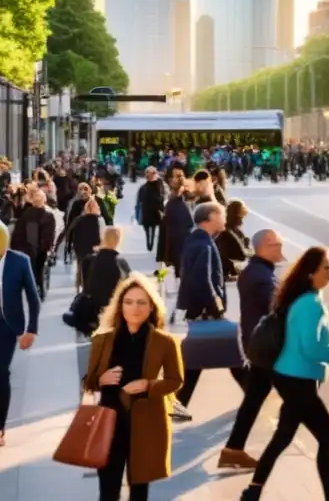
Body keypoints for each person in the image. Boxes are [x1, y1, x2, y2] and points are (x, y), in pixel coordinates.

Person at [241, 247, 329, 501]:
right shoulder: (310, 304)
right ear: (311, 274)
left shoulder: (304, 299)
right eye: (326, 268)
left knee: (284, 435)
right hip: (298, 380)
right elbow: (310, 347)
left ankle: (253, 491)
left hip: (290, 377)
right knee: (326, 435)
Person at [82, 273, 183, 500]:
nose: (134, 308)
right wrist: (100, 379)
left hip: (147, 424)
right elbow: (88, 382)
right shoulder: (103, 340)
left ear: (151, 307)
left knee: (139, 491)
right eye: (128, 302)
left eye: (141, 302)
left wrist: (148, 385)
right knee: (108, 491)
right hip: (109, 424)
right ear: (120, 306)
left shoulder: (165, 342)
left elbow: (176, 381)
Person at [220, 229, 285, 470]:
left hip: (258, 347)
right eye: (278, 244)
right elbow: (275, 314)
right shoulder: (264, 278)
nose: (281, 249)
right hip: (267, 349)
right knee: (303, 404)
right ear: (266, 246)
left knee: (254, 399)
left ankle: (233, 450)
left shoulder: (255, 272)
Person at [175, 201, 242, 415]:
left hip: (200, 311)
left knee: (199, 360)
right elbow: (201, 279)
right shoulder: (202, 243)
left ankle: (178, 403)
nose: (224, 219)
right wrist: (216, 306)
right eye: (221, 215)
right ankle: (256, 396)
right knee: (232, 356)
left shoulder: (199, 240)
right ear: (210, 217)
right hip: (205, 311)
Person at [0, 224, 39, 447]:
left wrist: (31, 330)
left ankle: (0, 426)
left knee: (1, 373)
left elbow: (33, 298)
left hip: (7, 325)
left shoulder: (20, 261)